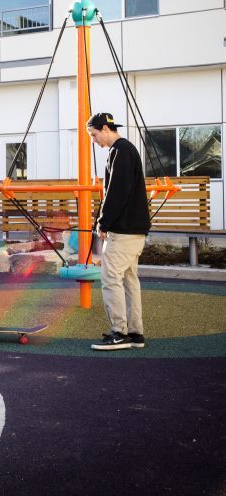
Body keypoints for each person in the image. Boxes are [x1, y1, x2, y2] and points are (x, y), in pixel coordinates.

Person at [87, 112, 151, 351]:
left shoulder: (120, 152)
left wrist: (103, 223)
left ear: (105, 128)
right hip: (134, 230)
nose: (94, 140)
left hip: (123, 232)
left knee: (111, 278)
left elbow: (116, 192)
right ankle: (135, 333)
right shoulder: (126, 150)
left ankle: (119, 333)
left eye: (94, 134)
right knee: (129, 281)